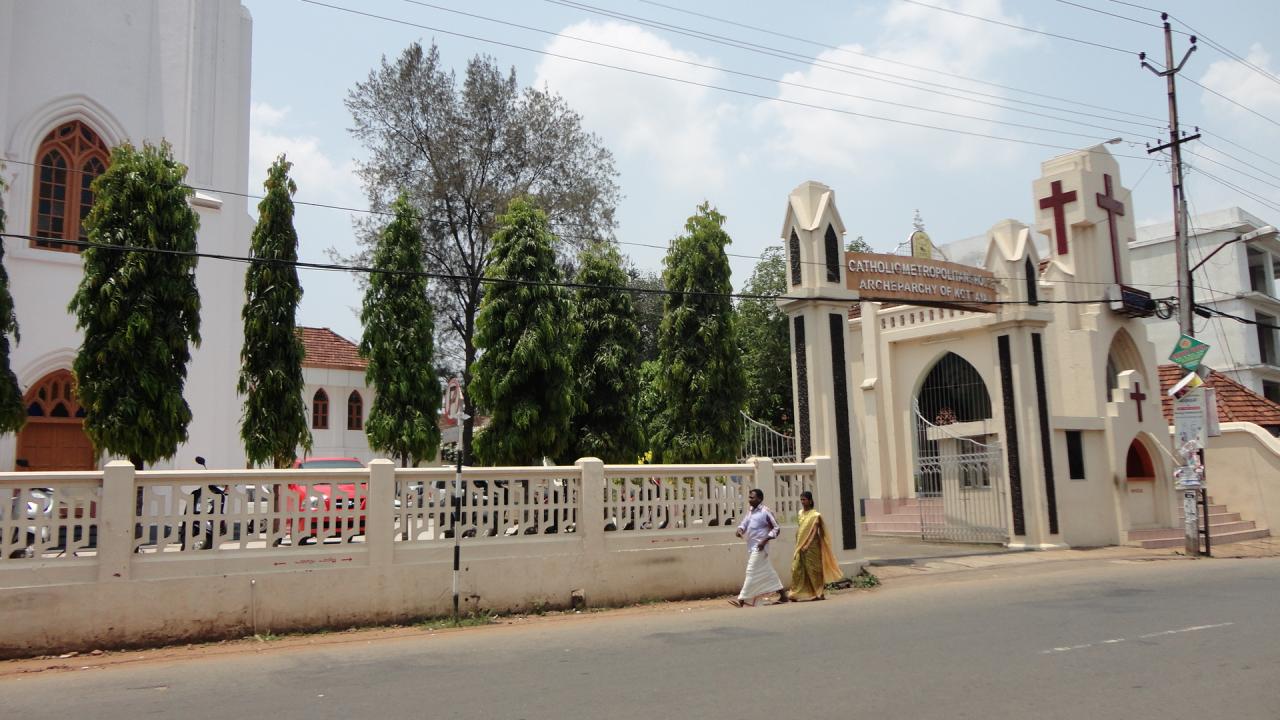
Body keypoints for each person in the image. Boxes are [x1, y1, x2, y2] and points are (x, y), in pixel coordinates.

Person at [728, 488, 790, 607]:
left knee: (750, 570)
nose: (750, 499)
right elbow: (744, 523)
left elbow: (776, 528)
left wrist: (765, 540)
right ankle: (783, 595)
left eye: (752, 497)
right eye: (749, 497)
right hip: (751, 546)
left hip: (760, 547)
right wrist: (740, 530)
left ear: (760, 499)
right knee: (769, 572)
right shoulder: (750, 511)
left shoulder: (766, 512)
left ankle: (742, 599)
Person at [789, 491, 842, 601]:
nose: (802, 502)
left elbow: (814, 531)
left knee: (813, 570)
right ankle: (796, 593)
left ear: (810, 501)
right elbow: (801, 529)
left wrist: (807, 544)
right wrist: (799, 542)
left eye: (804, 499)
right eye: (801, 499)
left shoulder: (815, 515)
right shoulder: (800, 513)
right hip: (800, 545)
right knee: (797, 569)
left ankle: (819, 592)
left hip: (812, 546)